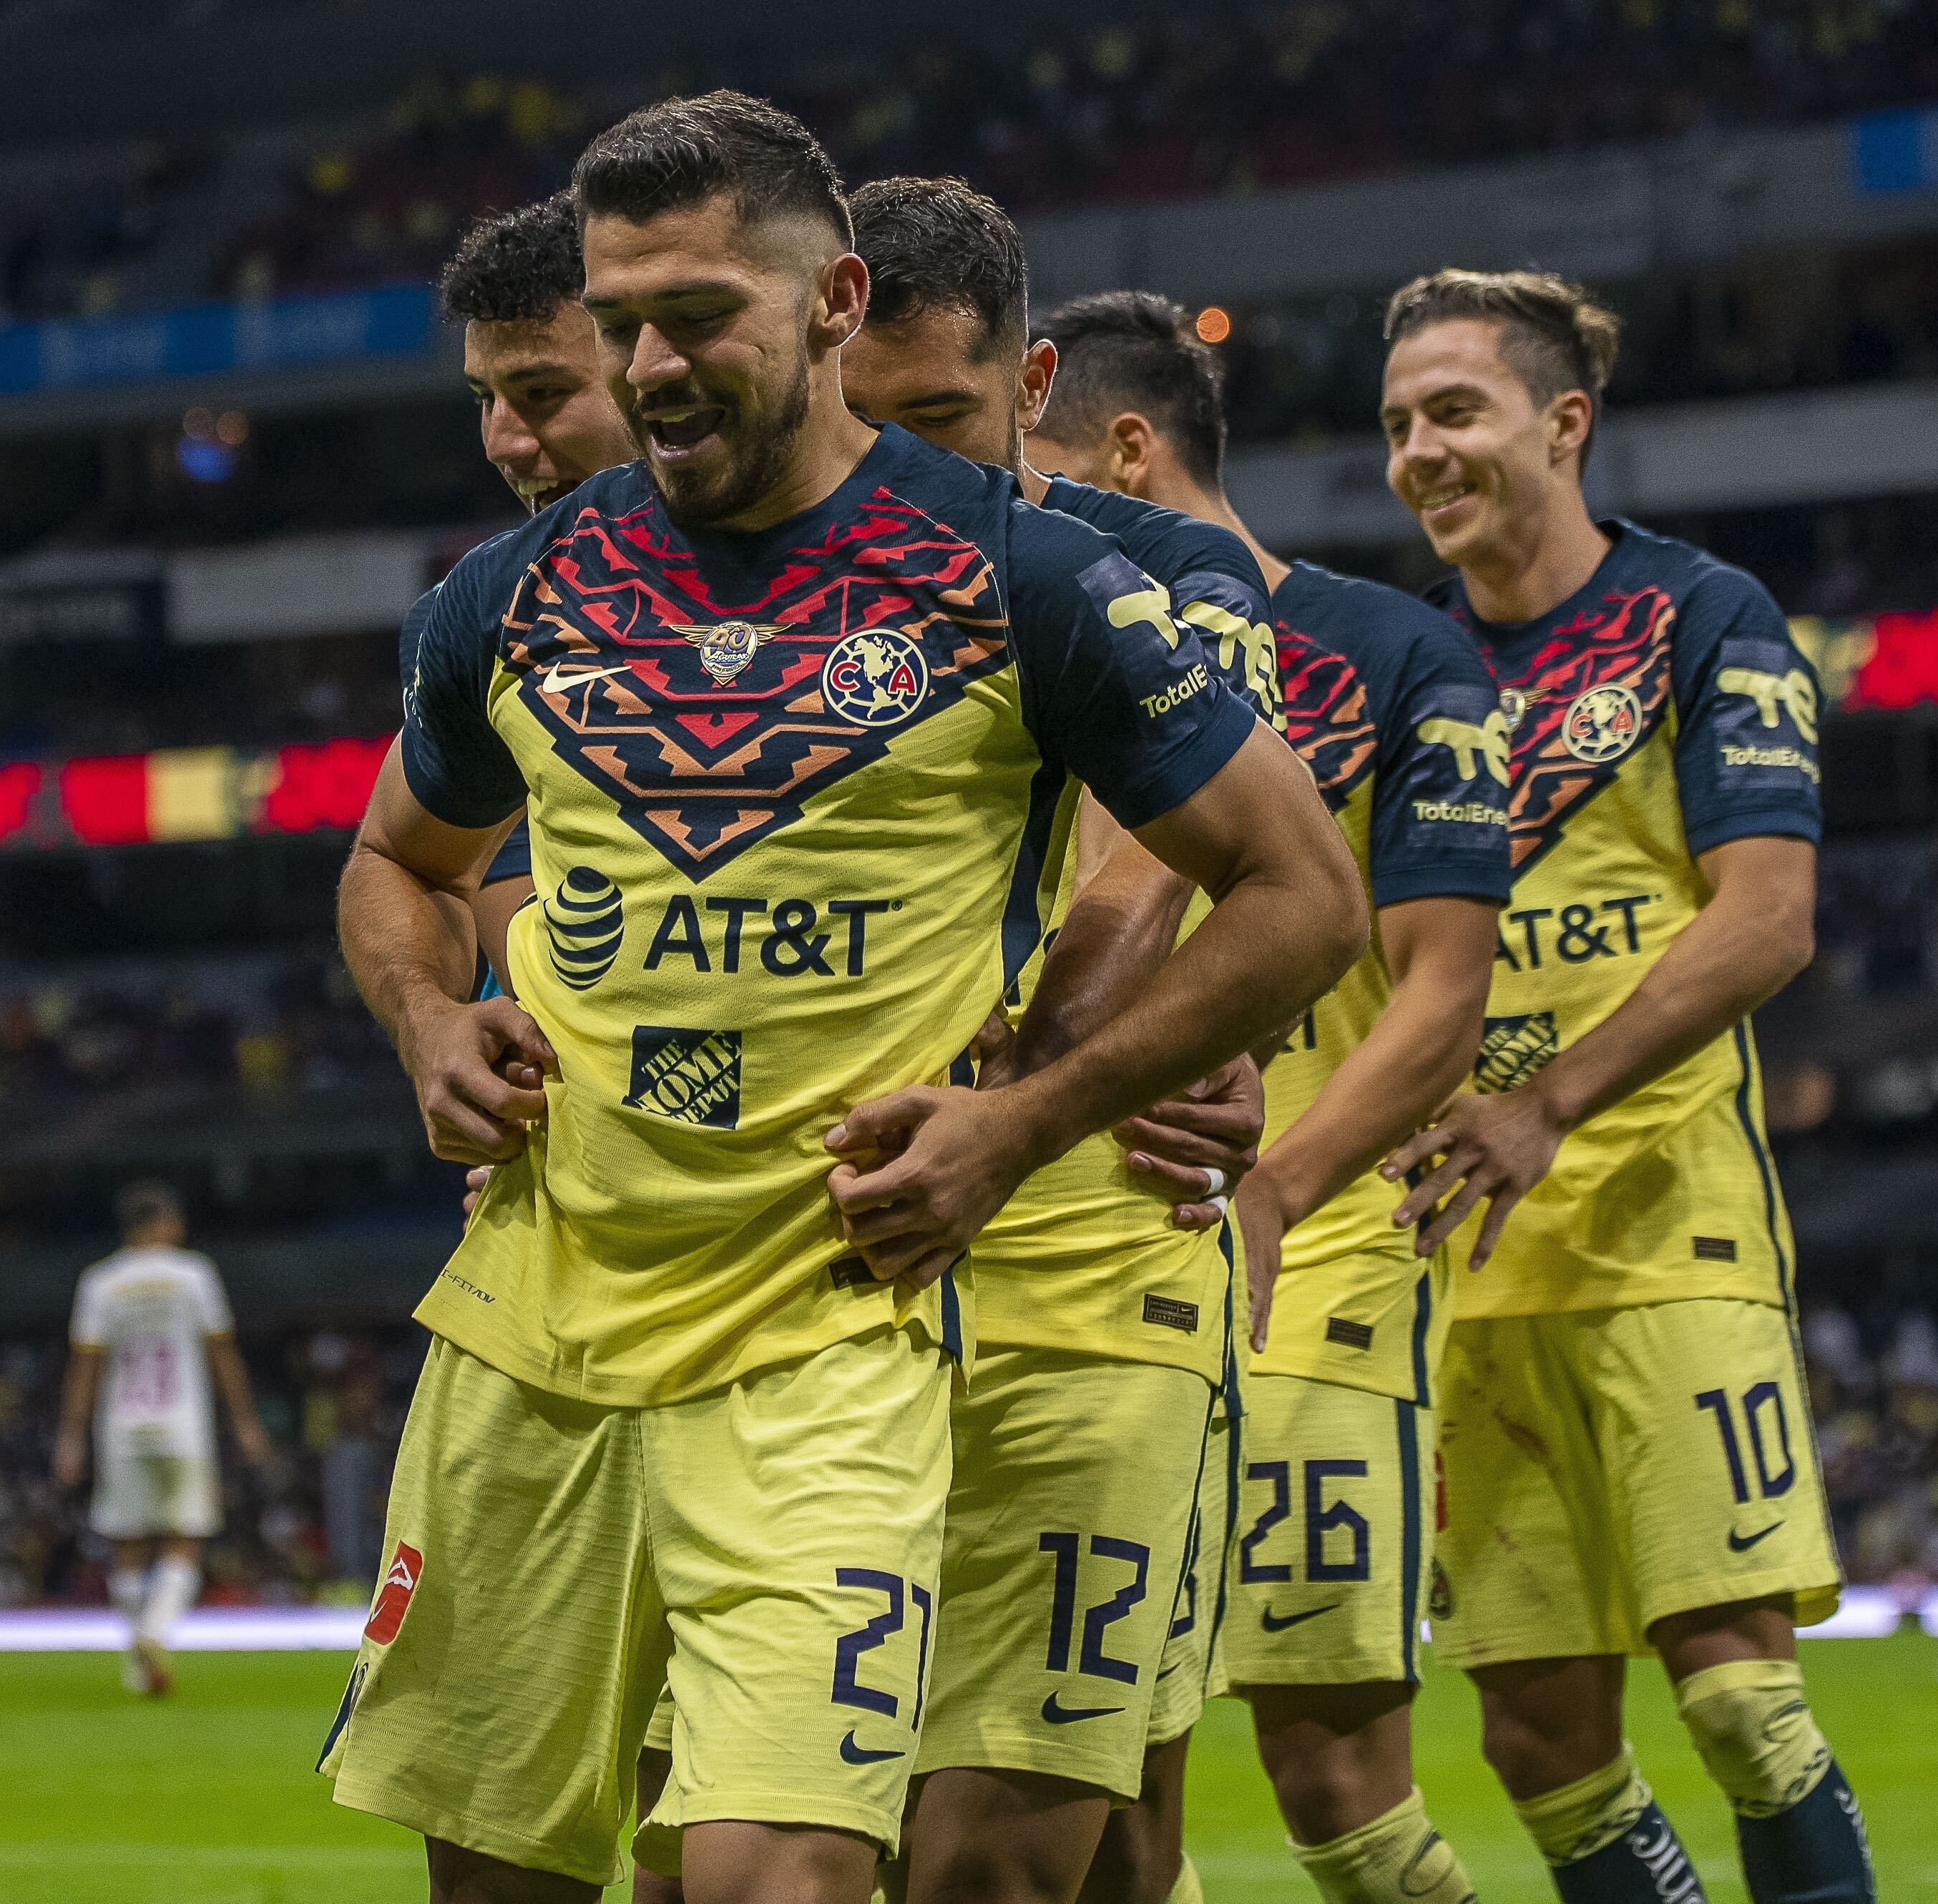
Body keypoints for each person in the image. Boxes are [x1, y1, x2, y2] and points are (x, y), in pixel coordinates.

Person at [318, 92, 1364, 1904]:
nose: (651, 362)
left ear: (828, 302)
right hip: (529, 1328)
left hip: (825, 1337)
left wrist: (1029, 1117)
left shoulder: (1031, 579)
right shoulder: (512, 595)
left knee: (780, 1881)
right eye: (622, 316)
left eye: (701, 312)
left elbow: (1298, 894)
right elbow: (394, 864)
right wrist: (426, 1018)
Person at [1374, 269, 1874, 1904]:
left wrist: (1549, 1098)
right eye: (1395, 425)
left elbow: (1767, 920)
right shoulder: (1398, 667)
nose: (1419, 452)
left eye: (1453, 410)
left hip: (1666, 1227)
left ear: (1562, 420)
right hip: (1461, 1258)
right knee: (1536, 1739)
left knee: (1734, 1692)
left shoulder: (1701, 619)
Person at [823, 179, 1278, 1904]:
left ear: (1031, 392)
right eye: (857, 426)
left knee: (1057, 1853)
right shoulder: (777, 592)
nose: (896, 472)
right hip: (835, 1267)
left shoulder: (1161, 569)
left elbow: (1150, 861)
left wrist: (1036, 1079)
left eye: (937, 421)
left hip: (1087, 1263)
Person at [1026, 290, 1509, 1904]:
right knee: (1092, 1780)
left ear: (1121, 445)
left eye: (1021, 452)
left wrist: (1278, 1185)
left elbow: (1444, 987)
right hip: (1082, 1256)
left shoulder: (1388, 652)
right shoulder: (1031, 643)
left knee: (1333, 1780)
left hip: (1314, 1261)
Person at [439, 192, 646, 1001]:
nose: (500, 441)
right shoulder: (483, 614)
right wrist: (432, 1024)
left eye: (543, 393)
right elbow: (417, 860)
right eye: (484, 399)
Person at [52, 1179, 268, 1697]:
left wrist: (70, 1437)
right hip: (182, 1426)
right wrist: (244, 1421)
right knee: (183, 1537)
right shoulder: (193, 1274)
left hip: (122, 1428)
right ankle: (153, 1633)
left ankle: (135, 1661)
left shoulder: (101, 1282)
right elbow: (222, 1353)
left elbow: (85, 1367)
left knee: (127, 1543)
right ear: (165, 1223)